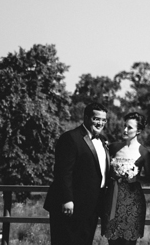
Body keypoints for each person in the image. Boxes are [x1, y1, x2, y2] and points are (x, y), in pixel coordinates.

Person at [44, 102, 111, 245]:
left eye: (103, 120)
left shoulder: (103, 141)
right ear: (86, 118)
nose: (100, 123)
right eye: (96, 119)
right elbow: (63, 172)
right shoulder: (70, 138)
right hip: (70, 206)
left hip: (92, 207)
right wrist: (67, 199)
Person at [104, 112, 150, 245]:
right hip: (113, 199)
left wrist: (135, 178)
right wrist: (113, 176)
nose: (125, 130)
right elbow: (104, 172)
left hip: (133, 201)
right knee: (113, 240)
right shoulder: (113, 147)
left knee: (129, 241)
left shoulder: (144, 152)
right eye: (124, 126)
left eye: (129, 128)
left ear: (138, 130)